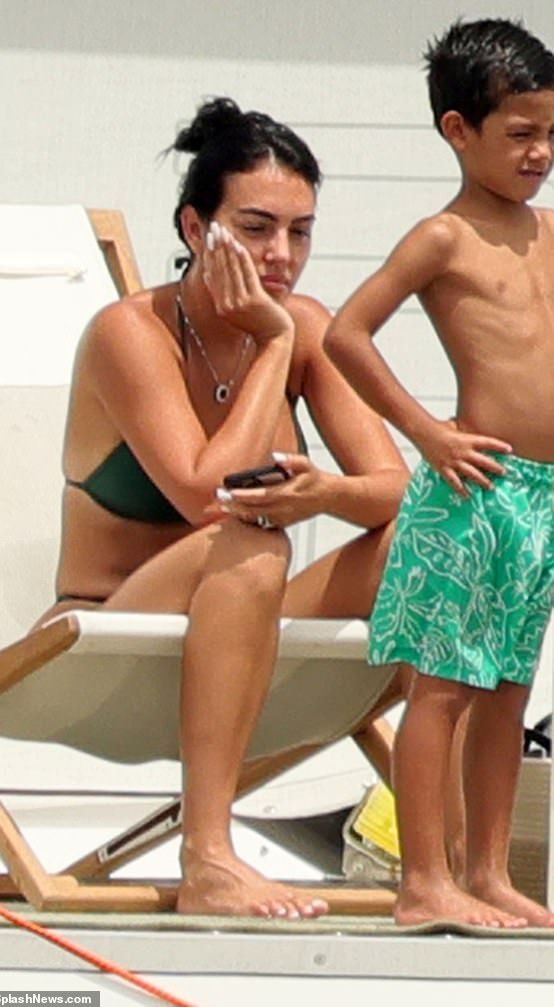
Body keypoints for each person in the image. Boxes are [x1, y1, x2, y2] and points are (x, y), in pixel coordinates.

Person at [40, 97, 408, 918]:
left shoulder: (310, 326)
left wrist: (327, 492)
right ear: (194, 227)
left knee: (426, 541)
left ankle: (444, 851)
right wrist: (272, 344)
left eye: (301, 232)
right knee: (250, 539)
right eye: (255, 228)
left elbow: (395, 487)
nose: (281, 254)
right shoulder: (130, 333)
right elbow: (205, 498)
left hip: (244, 637)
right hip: (111, 637)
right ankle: (207, 853)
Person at [325, 18, 554, 928]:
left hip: (541, 496)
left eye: (552, 133)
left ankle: (487, 871)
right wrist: (426, 433)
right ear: (459, 130)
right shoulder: (442, 238)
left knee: (508, 688)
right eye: (521, 133)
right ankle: (424, 878)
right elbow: (346, 333)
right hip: (473, 488)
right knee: (444, 685)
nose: (541, 152)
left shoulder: (549, 233)